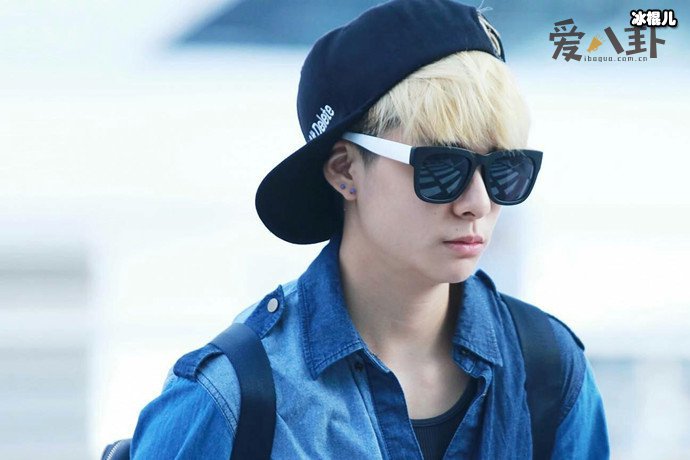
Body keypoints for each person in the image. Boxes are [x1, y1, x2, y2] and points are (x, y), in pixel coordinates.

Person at [131, 1, 610, 458]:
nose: (478, 204)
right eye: (441, 169)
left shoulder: (548, 368)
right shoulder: (231, 397)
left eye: (505, 171)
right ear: (345, 170)